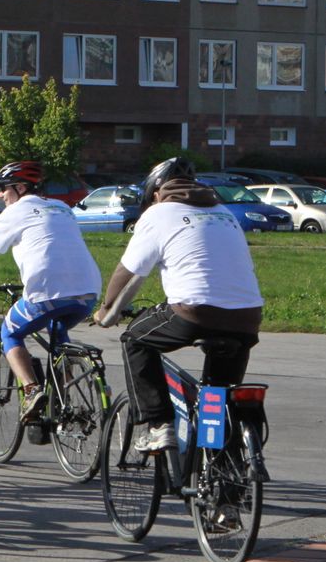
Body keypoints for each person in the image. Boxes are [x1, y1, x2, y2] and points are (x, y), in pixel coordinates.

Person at [93, 157, 264, 454]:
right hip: (247, 317)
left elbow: (128, 272)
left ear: (156, 193)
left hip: (194, 311)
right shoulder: (224, 212)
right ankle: (224, 489)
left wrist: (107, 310)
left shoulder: (159, 213)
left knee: (135, 340)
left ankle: (159, 425)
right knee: (217, 395)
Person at [0, 161, 100, 442]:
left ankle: (33, 391)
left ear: (20, 188)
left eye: (3, 189)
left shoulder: (15, 212)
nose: (0, 196)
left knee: (9, 332)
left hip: (47, 290)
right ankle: (60, 400)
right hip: (88, 291)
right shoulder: (61, 207)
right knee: (59, 335)